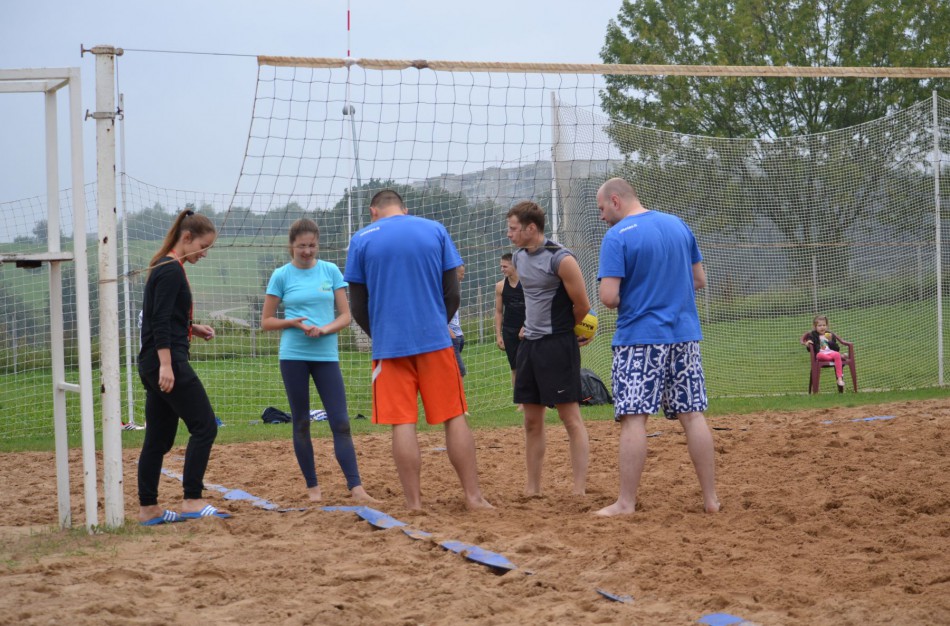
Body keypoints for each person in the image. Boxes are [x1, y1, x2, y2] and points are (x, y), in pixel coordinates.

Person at [344, 189, 492, 511]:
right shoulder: (434, 229)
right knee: (454, 417)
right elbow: (452, 292)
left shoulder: (361, 238)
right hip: (435, 340)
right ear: (404, 209)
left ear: (373, 211)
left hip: (390, 346)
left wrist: (381, 334)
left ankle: (414, 504)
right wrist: (439, 324)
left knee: (403, 423)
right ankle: (473, 498)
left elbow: (356, 304)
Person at [593, 177, 720, 516]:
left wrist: (641, 297)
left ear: (616, 200)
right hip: (684, 335)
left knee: (634, 419)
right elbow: (699, 280)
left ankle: (626, 503)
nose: (602, 217)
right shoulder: (678, 225)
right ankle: (711, 500)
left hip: (639, 338)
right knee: (693, 416)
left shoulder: (617, 237)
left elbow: (608, 298)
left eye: (602, 209)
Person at [261, 218, 377, 503]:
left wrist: (324, 329)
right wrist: (292, 323)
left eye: (312, 245)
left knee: (340, 422)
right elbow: (266, 321)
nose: (307, 251)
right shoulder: (281, 276)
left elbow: (346, 316)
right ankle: (313, 489)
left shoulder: (330, 271)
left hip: (326, 355)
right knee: (300, 422)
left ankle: (356, 488)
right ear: (291, 246)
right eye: (301, 246)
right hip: (293, 356)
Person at [137, 209, 231, 525]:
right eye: (204, 246)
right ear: (187, 237)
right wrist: (167, 365)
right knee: (205, 426)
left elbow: (166, 316)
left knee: (159, 439)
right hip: (167, 363)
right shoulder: (170, 270)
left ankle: (149, 509)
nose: (205, 254)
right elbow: (159, 320)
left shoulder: (166, 265)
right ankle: (192, 500)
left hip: (153, 363)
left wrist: (193, 327)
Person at [506, 201, 591, 496]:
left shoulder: (561, 258)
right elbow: (534, 300)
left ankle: (579, 490)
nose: (509, 234)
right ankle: (532, 489)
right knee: (531, 420)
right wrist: (528, 326)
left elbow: (582, 306)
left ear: (531, 228)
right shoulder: (518, 257)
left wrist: (570, 331)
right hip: (529, 346)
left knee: (570, 418)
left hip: (558, 346)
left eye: (513, 228)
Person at [494, 252, 526, 411]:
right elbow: (499, 312)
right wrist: (499, 335)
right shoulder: (500, 286)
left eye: (505, 266)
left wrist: (527, 325)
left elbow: (536, 306)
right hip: (509, 331)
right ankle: (520, 402)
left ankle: (537, 401)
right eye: (501, 266)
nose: (502, 269)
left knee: (531, 365)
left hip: (529, 329)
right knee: (515, 367)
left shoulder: (528, 283)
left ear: (514, 266)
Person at [804, 314, 845, 390]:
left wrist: (830, 341)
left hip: (831, 353)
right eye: (819, 325)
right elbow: (809, 346)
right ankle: (839, 357)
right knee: (819, 355)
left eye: (824, 325)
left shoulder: (830, 335)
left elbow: (837, 348)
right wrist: (807, 344)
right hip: (821, 354)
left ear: (827, 326)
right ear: (815, 327)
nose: (822, 327)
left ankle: (839, 379)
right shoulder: (813, 335)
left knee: (837, 354)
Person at [447, 265, 467, 377]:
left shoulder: (455, 289)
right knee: (459, 371)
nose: (462, 277)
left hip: (458, 335)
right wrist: (450, 332)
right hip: (451, 336)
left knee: (456, 371)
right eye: (461, 274)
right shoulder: (444, 289)